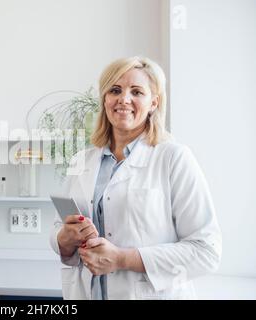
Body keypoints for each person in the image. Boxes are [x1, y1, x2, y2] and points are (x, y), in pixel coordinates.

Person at [49, 56, 222, 300]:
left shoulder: (174, 158)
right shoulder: (82, 161)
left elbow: (206, 251)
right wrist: (64, 239)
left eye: (137, 92)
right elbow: (58, 231)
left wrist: (122, 259)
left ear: (154, 102)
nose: (124, 99)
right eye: (115, 90)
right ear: (105, 99)